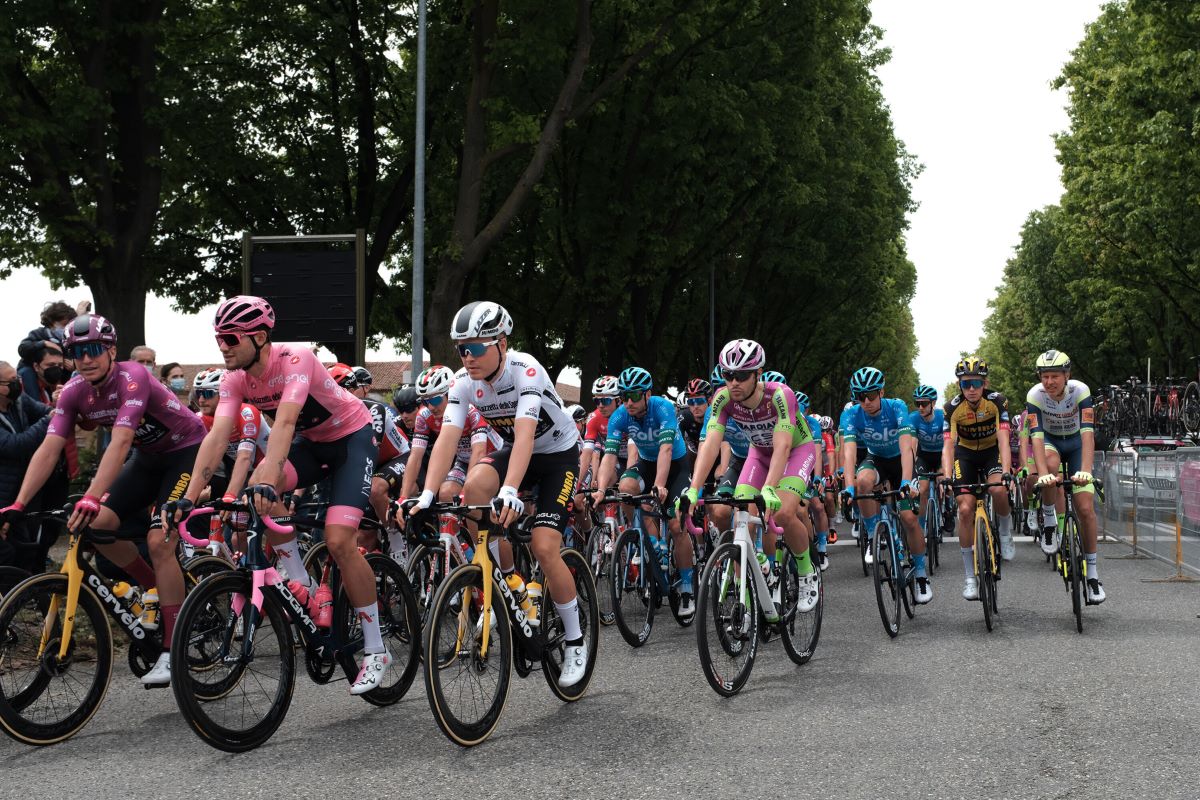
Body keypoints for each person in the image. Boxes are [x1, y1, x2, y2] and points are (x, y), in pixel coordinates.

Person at [168, 295, 392, 694]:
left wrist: (267, 477)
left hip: (351, 439)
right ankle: (300, 581)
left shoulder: (295, 359)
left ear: (259, 336)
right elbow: (217, 437)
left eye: (230, 338)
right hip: (312, 444)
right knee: (259, 497)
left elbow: (285, 424)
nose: (223, 346)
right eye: (219, 337)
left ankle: (376, 650)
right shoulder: (234, 377)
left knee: (339, 541)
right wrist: (189, 492)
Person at [0, 314, 207, 686]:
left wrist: (92, 496)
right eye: (77, 353)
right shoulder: (77, 390)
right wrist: (19, 503)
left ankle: (172, 648)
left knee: (160, 541)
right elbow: (49, 448)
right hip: (147, 460)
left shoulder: (133, 377)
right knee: (96, 526)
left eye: (94, 350)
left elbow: (122, 441)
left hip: (187, 451)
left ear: (111, 350)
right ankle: (155, 586)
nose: (86, 359)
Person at [401, 300, 590, 687]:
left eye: (475, 348)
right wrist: (427, 495)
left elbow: (524, 436)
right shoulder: (462, 383)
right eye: (461, 349)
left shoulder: (527, 372)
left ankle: (575, 640)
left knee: (544, 545)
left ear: (501, 343)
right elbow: (446, 441)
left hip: (556, 458)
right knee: (472, 492)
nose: (466, 357)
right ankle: (509, 579)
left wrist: (509, 490)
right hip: (516, 454)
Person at [682, 339, 821, 613]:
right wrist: (693, 489)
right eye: (728, 375)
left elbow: (782, 444)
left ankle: (807, 571)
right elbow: (710, 443)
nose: (734, 382)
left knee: (781, 512)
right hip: (759, 453)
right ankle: (757, 566)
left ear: (758, 374)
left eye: (742, 375)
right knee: (740, 514)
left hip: (795, 451)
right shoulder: (722, 398)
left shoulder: (780, 395)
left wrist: (770, 488)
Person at [590, 366, 696, 615]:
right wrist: (602, 489)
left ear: (647, 394)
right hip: (647, 465)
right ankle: (646, 539)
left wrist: (660, 484)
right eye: (624, 396)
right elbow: (610, 455)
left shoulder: (663, 408)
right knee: (626, 488)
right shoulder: (619, 416)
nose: (628, 402)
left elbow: (666, 450)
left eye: (635, 395)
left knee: (675, 524)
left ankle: (688, 588)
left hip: (675, 468)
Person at [839, 366, 930, 603]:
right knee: (862, 483)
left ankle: (921, 574)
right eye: (860, 397)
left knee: (909, 518)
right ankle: (873, 535)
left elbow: (905, 447)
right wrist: (848, 487)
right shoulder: (851, 414)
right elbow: (848, 454)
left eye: (871, 395)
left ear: (881, 392)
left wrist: (907, 481)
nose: (866, 401)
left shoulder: (896, 407)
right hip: (876, 458)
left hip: (901, 460)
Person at [1026, 349, 1103, 603]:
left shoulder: (1081, 391)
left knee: (1085, 509)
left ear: (1066, 375)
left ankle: (1092, 576)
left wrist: (1086, 472)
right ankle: (1049, 521)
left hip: (1077, 443)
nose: (1049, 382)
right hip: (1051, 443)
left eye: (1054, 376)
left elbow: (1088, 433)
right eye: (1044, 376)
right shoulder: (1035, 396)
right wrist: (1043, 475)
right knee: (1049, 465)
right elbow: (1036, 438)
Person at [941, 357, 1013, 601]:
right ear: (959, 385)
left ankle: (1005, 532)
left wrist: (1006, 470)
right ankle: (970, 578)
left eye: (976, 383)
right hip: (967, 454)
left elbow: (1004, 438)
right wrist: (948, 475)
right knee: (964, 509)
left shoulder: (997, 402)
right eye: (965, 383)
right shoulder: (951, 408)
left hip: (992, 452)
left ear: (985, 383)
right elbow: (949, 445)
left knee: (998, 490)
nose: (971, 388)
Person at [0, 361, 52, 572]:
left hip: (20, 491)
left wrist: (58, 408)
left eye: (17, 379)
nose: (18, 384)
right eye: (11, 381)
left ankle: (23, 593)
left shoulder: (19, 400)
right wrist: (48, 421)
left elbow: (44, 410)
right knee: (5, 552)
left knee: (23, 547)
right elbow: (14, 446)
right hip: (3, 491)